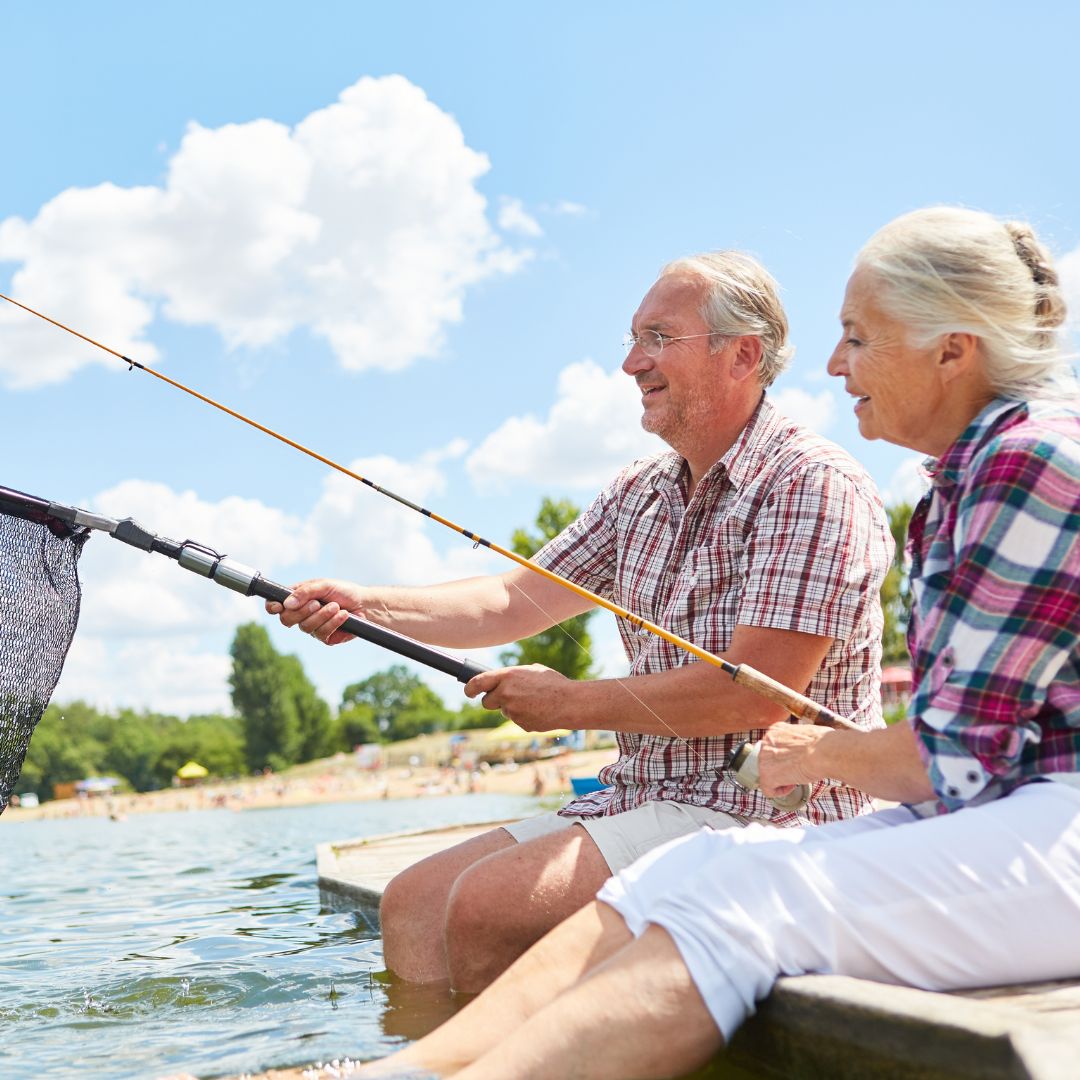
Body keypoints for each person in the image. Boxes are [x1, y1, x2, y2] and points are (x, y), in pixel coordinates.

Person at [347, 206, 1080, 1080]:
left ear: (952, 350)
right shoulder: (954, 483)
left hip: (862, 804)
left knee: (653, 893)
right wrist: (361, 602)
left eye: (857, 337)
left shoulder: (982, 468)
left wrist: (815, 754)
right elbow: (515, 594)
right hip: (938, 805)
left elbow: (948, 756)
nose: (836, 363)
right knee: (436, 898)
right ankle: (398, 1074)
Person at [269, 251, 893, 993]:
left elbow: (757, 695)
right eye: (633, 339)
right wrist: (367, 604)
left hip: (776, 817)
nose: (633, 362)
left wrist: (567, 703)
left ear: (743, 355)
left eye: (660, 337)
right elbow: (511, 600)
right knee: (411, 901)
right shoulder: (638, 490)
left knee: (486, 908)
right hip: (644, 795)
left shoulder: (811, 483)